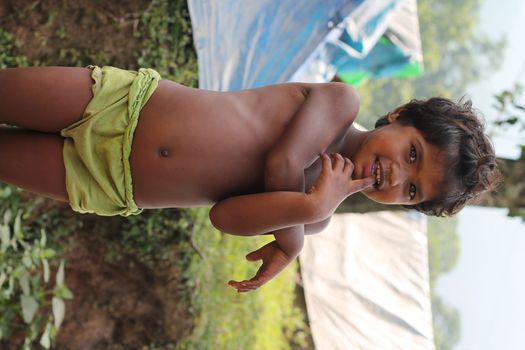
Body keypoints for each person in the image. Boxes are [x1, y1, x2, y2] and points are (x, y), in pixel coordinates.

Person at [0, 66, 500, 292]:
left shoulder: (311, 216)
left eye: (412, 189)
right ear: (397, 114)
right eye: (411, 153)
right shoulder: (339, 103)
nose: (397, 174)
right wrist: (296, 235)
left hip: (110, 183)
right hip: (121, 106)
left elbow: (224, 216)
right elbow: (281, 162)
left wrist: (306, 216)